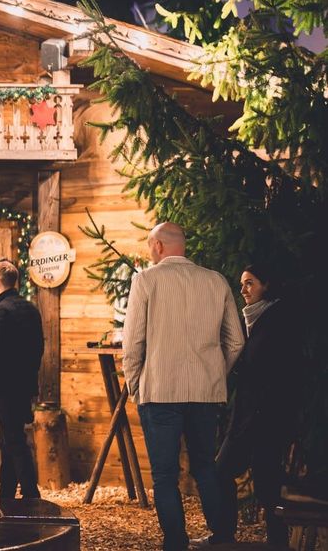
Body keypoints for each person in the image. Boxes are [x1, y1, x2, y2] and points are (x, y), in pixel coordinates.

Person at [122, 222, 244, 551]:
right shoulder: (216, 281)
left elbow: (132, 344)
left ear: (159, 246)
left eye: (150, 246)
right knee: (206, 466)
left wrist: (136, 387)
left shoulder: (145, 281)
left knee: (164, 474)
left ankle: (176, 543)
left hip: (160, 392)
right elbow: (235, 342)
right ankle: (222, 538)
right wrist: (215, 374)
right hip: (206, 394)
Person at [216, 264, 306, 548]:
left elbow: (282, 374)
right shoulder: (254, 320)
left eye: (250, 283)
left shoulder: (278, 319)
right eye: (242, 284)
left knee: (267, 484)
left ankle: (275, 542)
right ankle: (224, 535)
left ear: (266, 285)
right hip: (248, 418)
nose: (243, 290)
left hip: (265, 420)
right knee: (222, 473)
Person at [0, 260, 43, 499]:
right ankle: (6, 490)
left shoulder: (1, 310)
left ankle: (30, 491)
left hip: (8, 383)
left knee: (14, 438)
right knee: (10, 435)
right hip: (25, 381)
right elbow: (38, 347)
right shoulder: (30, 307)